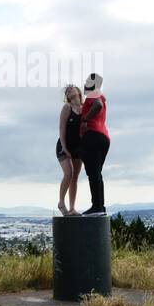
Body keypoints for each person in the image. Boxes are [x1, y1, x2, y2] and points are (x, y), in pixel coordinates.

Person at [79, 73, 109, 216]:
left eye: (86, 82)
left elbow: (97, 105)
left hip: (93, 135)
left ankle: (96, 206)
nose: (84, 84)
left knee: (93, 173)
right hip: (103, 137)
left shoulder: (93, 95)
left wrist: (85, 119)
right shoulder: (102, 96)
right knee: (96, 173)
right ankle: (100, 206)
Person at [56, 85, 84, 216]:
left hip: (78, 147)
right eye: (67, 90)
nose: (69, 90)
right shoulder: (67, 107)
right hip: (64, 145)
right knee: (69, 173)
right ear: (67, 96)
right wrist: (64, 146)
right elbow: (62, 128)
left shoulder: (84, 108)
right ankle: (61, 203)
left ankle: (73, 207)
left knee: (75, 176)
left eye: (72, 88)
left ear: (78, 91)